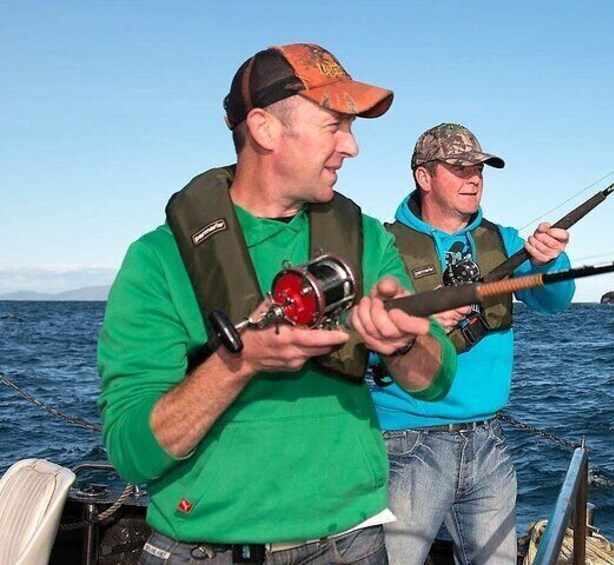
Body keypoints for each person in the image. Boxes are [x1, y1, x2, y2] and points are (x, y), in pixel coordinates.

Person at [97, 44, 457, 565]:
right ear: (265, 129)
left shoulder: (369, 239)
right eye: (335, 125)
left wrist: (404, 343)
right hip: (203, 550)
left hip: (351, 543)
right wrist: (236, 363)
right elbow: (131, 454)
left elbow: (437, 381)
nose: (352, 147)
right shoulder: (157, 259)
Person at [371, 123, 575, 564]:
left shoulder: (505, 242)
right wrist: (415, 320)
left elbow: (553, 300)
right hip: (406, 444)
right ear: (424, 177)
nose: (475, 178)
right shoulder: (381, 245)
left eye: (479, 169)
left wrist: (551, 259)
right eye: (460, 168)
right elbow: (359, 340)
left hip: (489, 444)